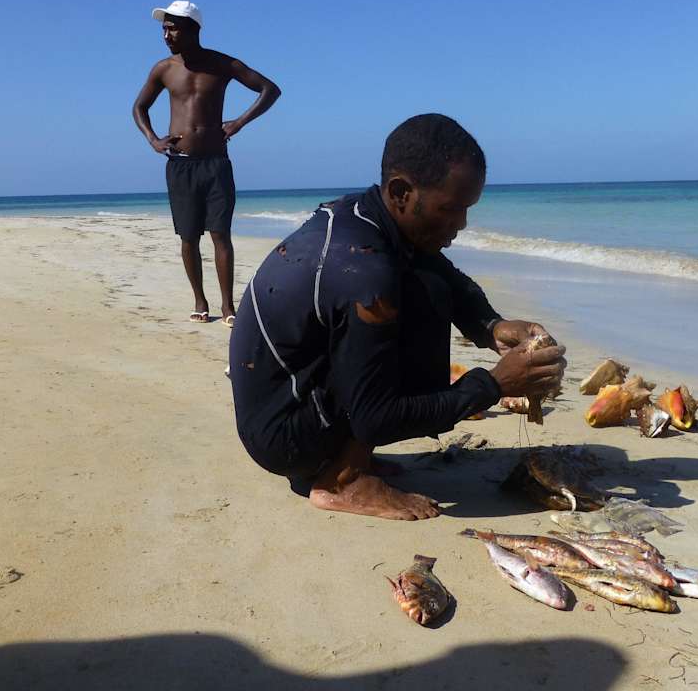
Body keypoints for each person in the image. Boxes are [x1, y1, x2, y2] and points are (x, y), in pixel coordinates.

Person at [228, 114, 566, 520]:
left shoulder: (367, 216)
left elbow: (440, 271)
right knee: (401, 305)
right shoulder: (366, 272)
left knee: (428, 287)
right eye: (451, 208)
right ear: (401, 191)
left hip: (296, 401)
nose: (461, 223)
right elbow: (376, 419)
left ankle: (346, 459)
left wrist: (490, 326)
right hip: (283, 435)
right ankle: (343, 479)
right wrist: (494, 385)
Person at [133, 0, 281, 326]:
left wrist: (239, 122)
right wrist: (154, 140)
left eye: (173, 28)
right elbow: (139, 108)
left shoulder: (222, 64)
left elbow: (269, 90)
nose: (166, 35)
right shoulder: (163, 69)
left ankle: (228, 306)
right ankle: (200, 300)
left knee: (221, 234)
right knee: (188, 237)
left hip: (216, 163)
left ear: (193, 30)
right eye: (164, 28)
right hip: (180, 165)